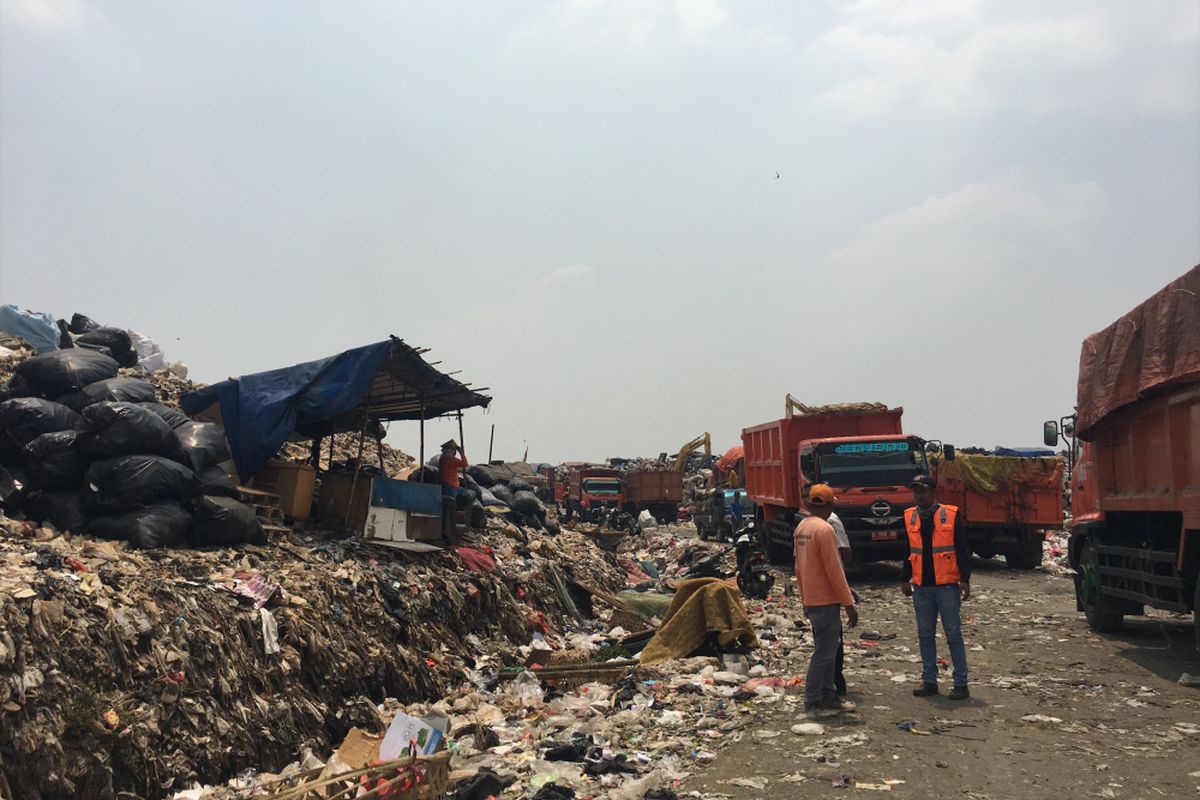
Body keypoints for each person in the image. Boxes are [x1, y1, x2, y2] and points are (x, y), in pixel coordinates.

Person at [902, 474, 971, 700]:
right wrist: (905, 578)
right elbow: (908, 550)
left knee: (953, 634)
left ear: (933, 492)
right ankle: (929, 681)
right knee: (925, 635)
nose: (919, 495)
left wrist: (965, 578)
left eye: (922, 490)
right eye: (916, 491)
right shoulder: (909, 516)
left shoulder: (949, 514)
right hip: (921, 586)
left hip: (947, 585)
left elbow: (962, 547)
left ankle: (961, 683)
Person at [793, 483, 858, 717]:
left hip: (813, 598)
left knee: (829, 650)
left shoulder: (802, 527)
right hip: (825, 600)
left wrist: (804, 600)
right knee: (824, 653)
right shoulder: (825, 529)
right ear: (829, 505)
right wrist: (849, 604)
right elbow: (834, 570)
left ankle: (828, 694)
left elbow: (798, 568)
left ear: (810, 503)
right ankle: (813, 700)